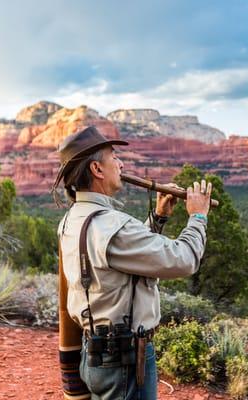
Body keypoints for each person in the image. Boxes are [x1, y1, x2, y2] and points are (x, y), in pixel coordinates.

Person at [52, 126, 212, 400]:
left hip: (94, 355)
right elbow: (184, 260)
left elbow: (125, 255)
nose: (121, 163)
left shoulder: (71, 219)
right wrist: (198, 217)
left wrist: (158, 217)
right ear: (96, 169)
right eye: (114, 157)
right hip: (125, 359)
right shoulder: (113, 225)